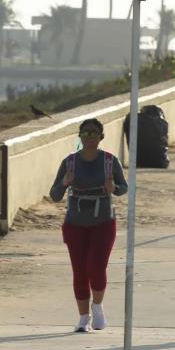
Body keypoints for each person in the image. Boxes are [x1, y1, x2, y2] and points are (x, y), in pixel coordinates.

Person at [49, 118, 129, 332]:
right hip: (75, 223)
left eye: (94, 133)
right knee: (79, 270)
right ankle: (83, 318)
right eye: (85, 133)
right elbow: (55, 195)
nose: (89, 136)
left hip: (103, 221)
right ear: (80, 136)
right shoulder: (70, 162)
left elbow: (123, 187)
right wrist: (65, 182)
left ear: (101, 136)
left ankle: (98, 307)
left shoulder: (109, 161)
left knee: (96, 265)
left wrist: (113, 188)